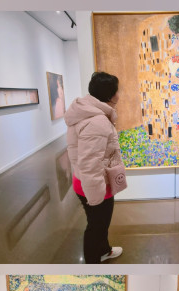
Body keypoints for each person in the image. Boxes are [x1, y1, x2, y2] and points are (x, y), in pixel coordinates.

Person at [65, 71, 124, 264]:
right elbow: (90, 163)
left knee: (100, 224)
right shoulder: (97, 121)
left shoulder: (88, 112)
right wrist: (96, 197)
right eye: (117, 90)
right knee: (96, 227)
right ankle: (92, 264)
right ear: (110, 95)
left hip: (87, 180)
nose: (119, 94)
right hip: (94, 185)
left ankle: (104, 250)